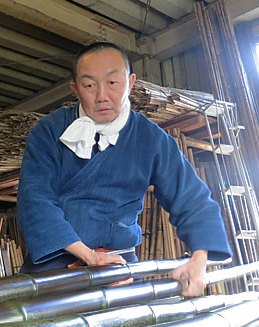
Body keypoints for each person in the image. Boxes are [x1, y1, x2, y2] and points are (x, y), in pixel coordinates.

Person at [17, 42, 232, 296]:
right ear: (75, 89)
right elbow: (36, 199)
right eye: (89, 85)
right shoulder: (48, 131)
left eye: (112, 83)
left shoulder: (151, 138)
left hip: (120, 270)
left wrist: (199, 259)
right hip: (55, 265)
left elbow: (192, 199)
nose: (101, 96)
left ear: (130, 83)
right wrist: (89, 257)